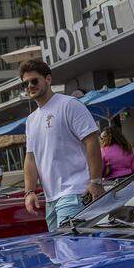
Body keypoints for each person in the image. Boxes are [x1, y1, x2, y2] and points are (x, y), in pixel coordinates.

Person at [20, 60, 105, 231]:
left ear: (48, 80)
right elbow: (30, 158)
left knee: (71, 252)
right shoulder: (31, 120)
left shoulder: (69, 105)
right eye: (25, 83)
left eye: (34, 81)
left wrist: (95, 181)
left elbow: (92, 141)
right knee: (61, 254)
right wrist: (29, 192)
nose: (30, 86)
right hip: (51, 199)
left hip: (75, 192)